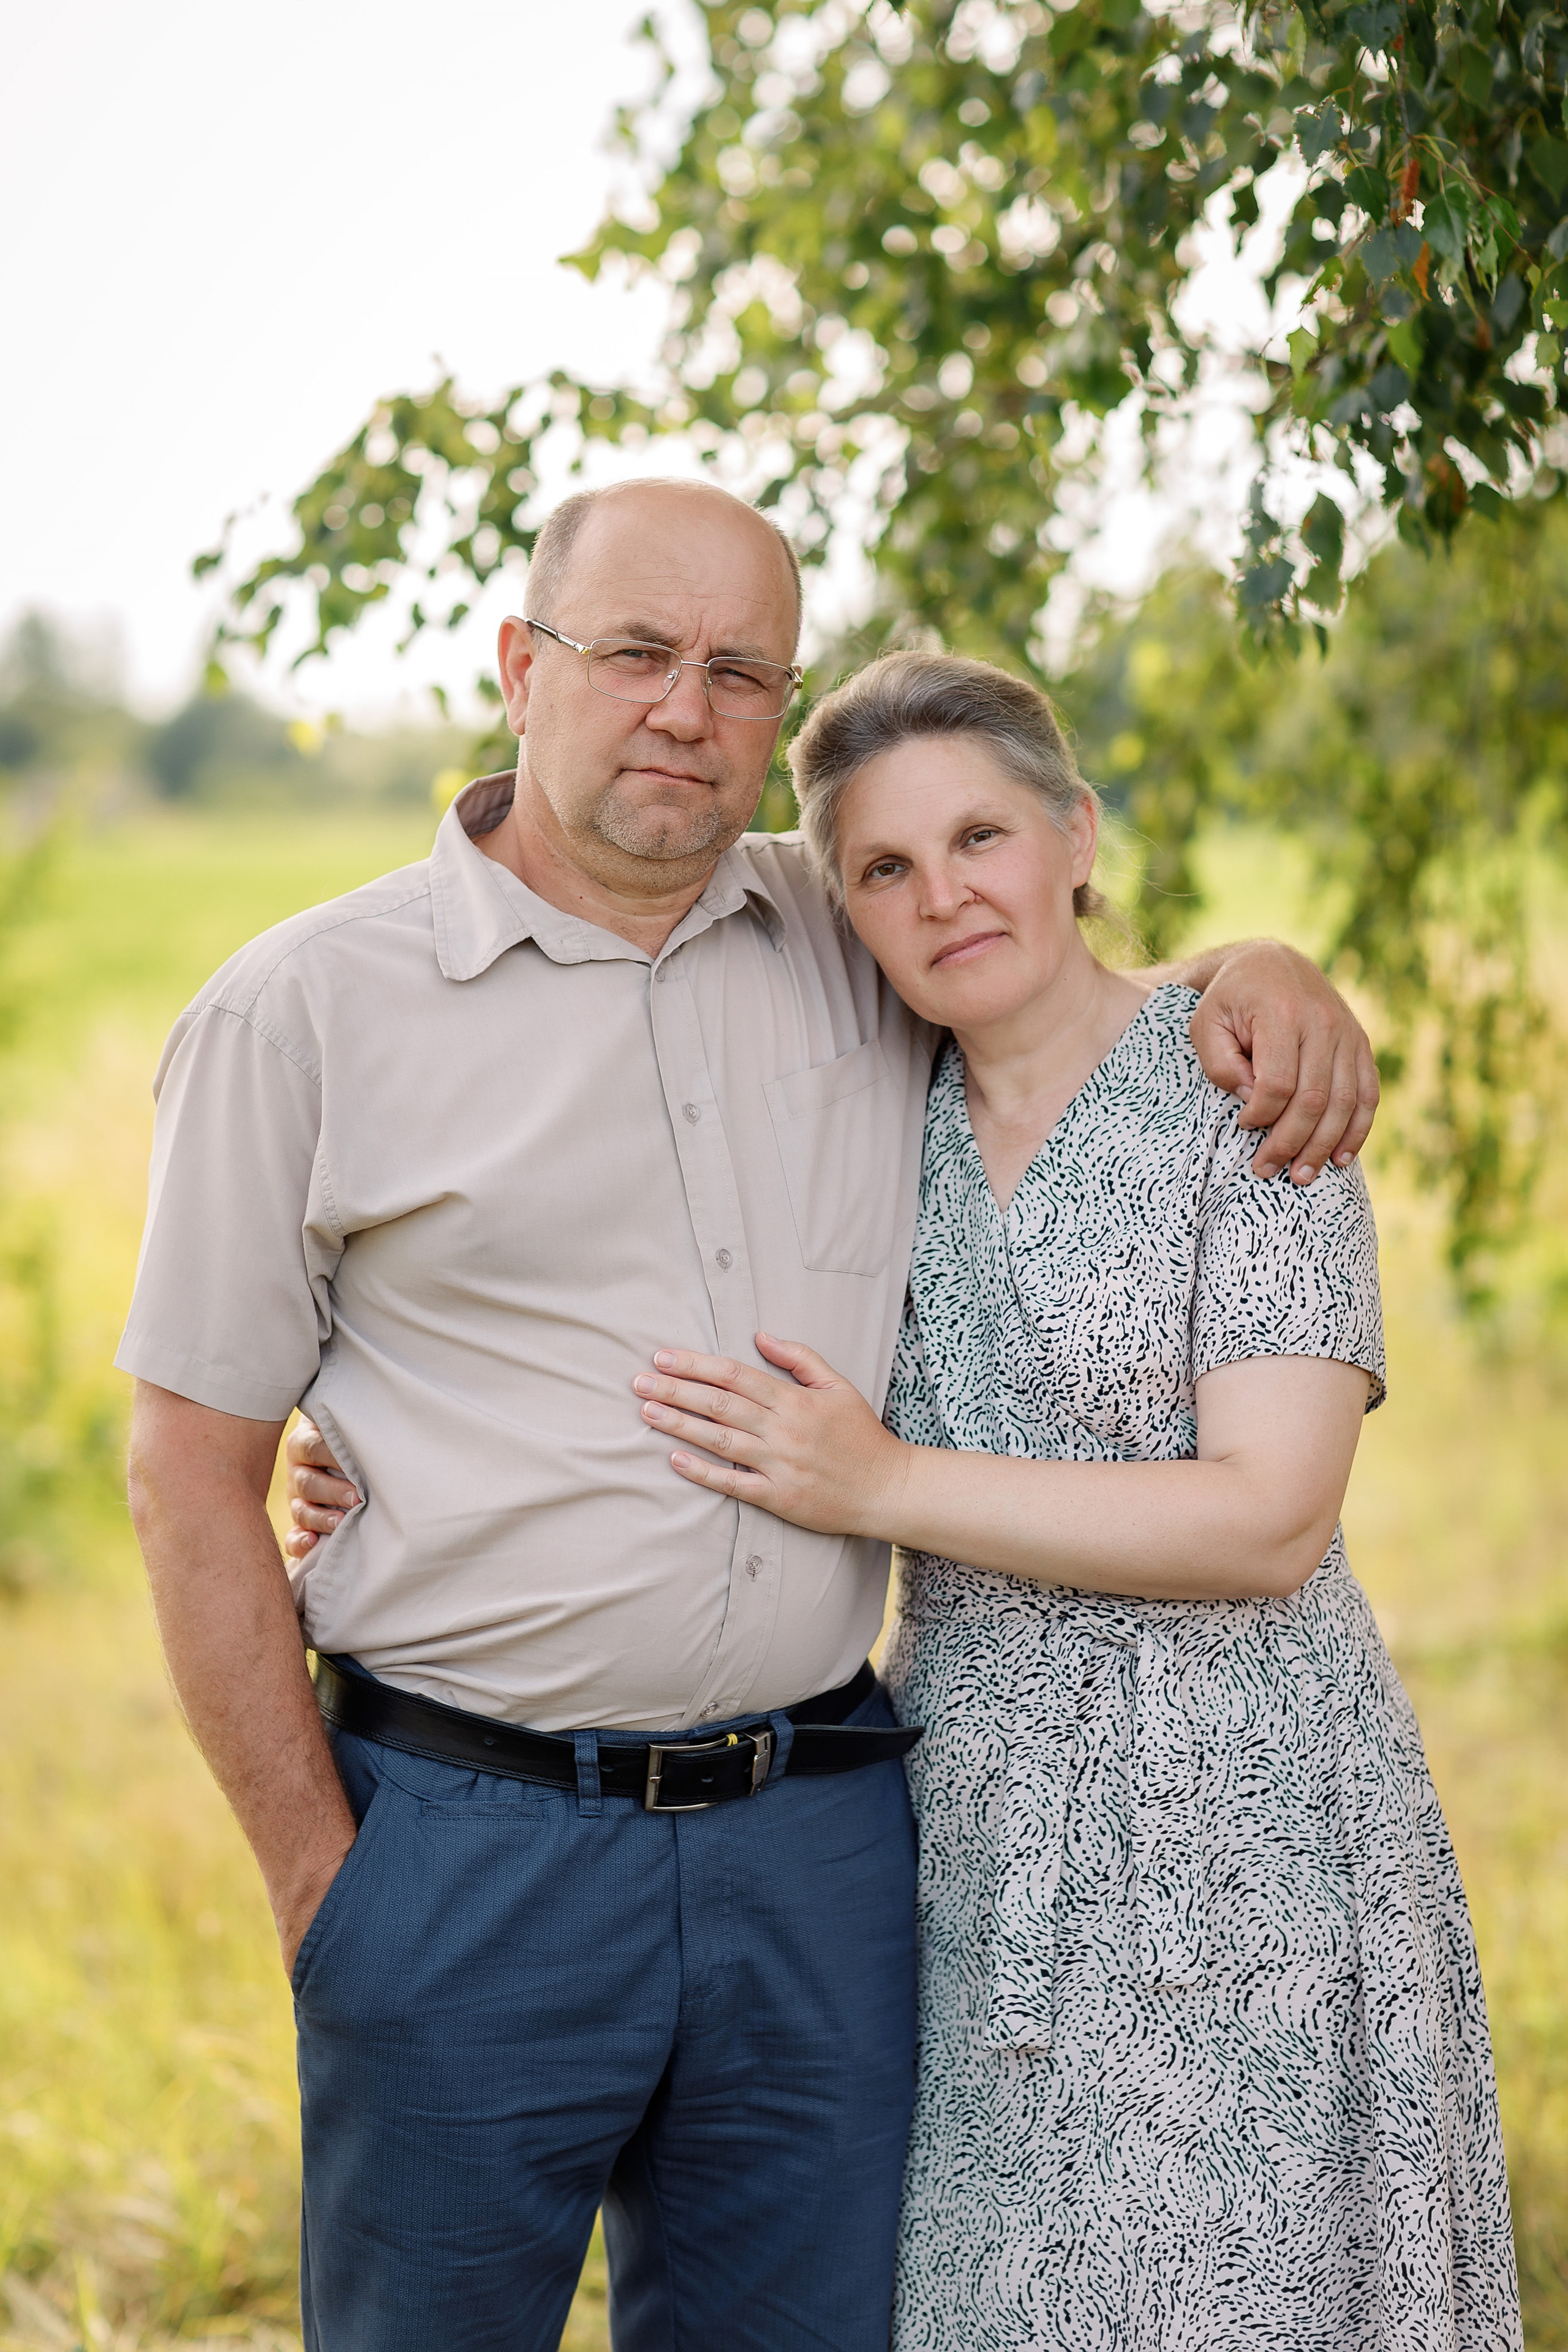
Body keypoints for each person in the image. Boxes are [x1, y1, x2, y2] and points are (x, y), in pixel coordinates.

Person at [120, 477, 1378, 2352]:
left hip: (825, 1839)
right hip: (470, 1844)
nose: (683, 710)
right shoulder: (301, 1013)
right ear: (518, 665)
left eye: (739, 673)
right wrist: (329, 1886)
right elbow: (186, 1472)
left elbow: (1034, 948)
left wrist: (1264, 974)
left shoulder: (836, 920)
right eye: (634, 653)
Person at [608, 650, 1521, 2351]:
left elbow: (1269, 1521)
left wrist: (884, 1483)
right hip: (962, 1824)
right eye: (884, 868)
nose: (944, 895)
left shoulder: (1247, 1092)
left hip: (1242, 1815)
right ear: (845, 908)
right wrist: (371, 1463)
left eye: (982, 836)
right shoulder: (878, 1117)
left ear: (1076, 835)